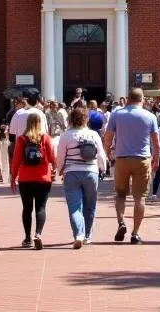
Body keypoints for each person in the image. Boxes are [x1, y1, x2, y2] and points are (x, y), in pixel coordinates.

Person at [104, 87, 160, 244]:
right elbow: (156, 141)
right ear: (142, 99)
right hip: (142, 159)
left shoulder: (117, 114)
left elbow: (108, 137)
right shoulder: (150, 116)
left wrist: (108, 153)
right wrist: (157, 159)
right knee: (139, 198)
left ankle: (121, 221)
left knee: (120, 194)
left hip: (122, 158)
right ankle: (135, 233)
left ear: (128, 98)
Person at [57, 105, 108, 246]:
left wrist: (60, 169)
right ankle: (87, 236)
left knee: (74, 207)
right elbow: (101, 155)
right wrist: (102, 169)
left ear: (71, 119)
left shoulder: (66, 135)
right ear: (86, 119)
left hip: (71, 173)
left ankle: (78, 234)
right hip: (91, 172)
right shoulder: (93, 134)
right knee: (90, 206)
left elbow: (60, 156)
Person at [10, 109, 57, 248]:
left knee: (27, 208)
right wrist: (55, 169)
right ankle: (38, 233)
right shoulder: (45, 138)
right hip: (43, 178)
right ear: (40, 124)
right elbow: (52, 158)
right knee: (41, 208)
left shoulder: (22, 139)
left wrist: (13, 178)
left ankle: (27, 238)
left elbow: (16, 160)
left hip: (25, 178)